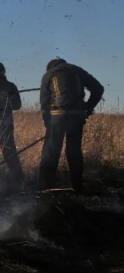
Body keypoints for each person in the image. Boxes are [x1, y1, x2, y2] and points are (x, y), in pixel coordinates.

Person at [38, 58, 104, 194]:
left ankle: (45, 188)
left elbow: (44, 105)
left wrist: (48, 124)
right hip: (77, 116)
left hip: (58, 116)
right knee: (74, 152)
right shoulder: (77, 70)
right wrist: (88, 107)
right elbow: (98, 89)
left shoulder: (48, 75)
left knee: (51, 152)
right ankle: (77, 187)